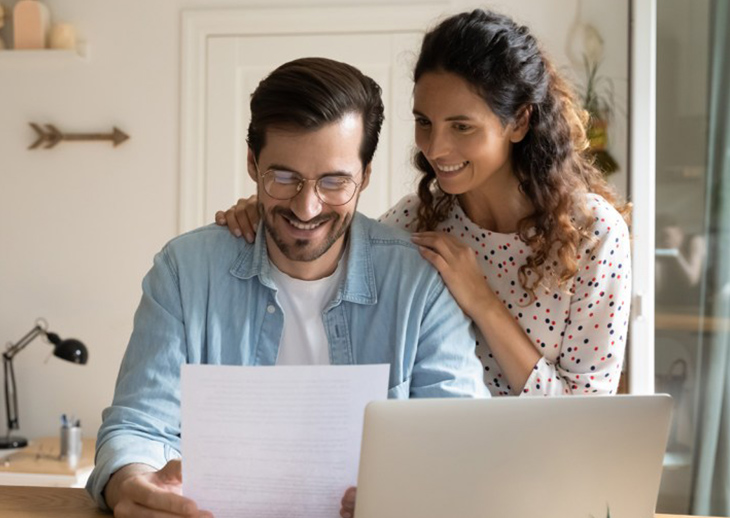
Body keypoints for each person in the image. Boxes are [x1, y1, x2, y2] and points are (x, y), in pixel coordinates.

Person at [87, 57, 488, 518]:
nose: (306, 206)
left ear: (366, 176)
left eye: (335, 182)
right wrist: (131, 484)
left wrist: (408, 494)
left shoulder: (420, 281)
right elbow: (138, 426)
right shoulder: (185, 271)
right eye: (283, 177)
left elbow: (459, 442)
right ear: (253, 164)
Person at [217, 9, 632, 401]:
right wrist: (273, 212)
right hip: (436, 463)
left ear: (519, 122)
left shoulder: (594, 236)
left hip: (545, 471)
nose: (435, 147)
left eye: (462, 126)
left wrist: (482, 302)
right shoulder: (414, 222)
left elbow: (583, 415)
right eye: (424, 122)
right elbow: (323, 246)